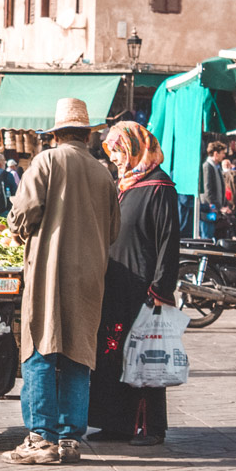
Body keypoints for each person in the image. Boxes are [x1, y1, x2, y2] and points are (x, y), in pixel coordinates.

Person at [3, 99, 120, 466]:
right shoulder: (104, 173)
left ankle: (41, 439)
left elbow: (23, 213)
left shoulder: (47, 162)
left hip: (49, 273)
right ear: (87, 134)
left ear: (56, 134)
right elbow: (113, 230)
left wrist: (18, 228)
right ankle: (70, 439)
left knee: (40, 347)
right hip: (89, 277)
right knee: (77, 354)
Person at [88, 122, 179, 447]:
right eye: (112, 154)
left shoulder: (159, 186)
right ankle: (115, 423)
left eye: (120, 152)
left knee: (144, 356)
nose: (116, 159)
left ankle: (150, 427)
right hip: (115, 286)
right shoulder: (124, 185)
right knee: (112, 353)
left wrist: (160, 289)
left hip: (143, 290)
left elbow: (169, 242)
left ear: (136, 148)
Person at [199, 141, 228, 237]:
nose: (224, 156)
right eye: (222, 153)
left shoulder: (216, 167)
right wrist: (218, 207)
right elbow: (207, 191)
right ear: (216, 153)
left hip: (215, 211)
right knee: (207, 238)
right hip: (208, 211)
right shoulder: (207, 166)